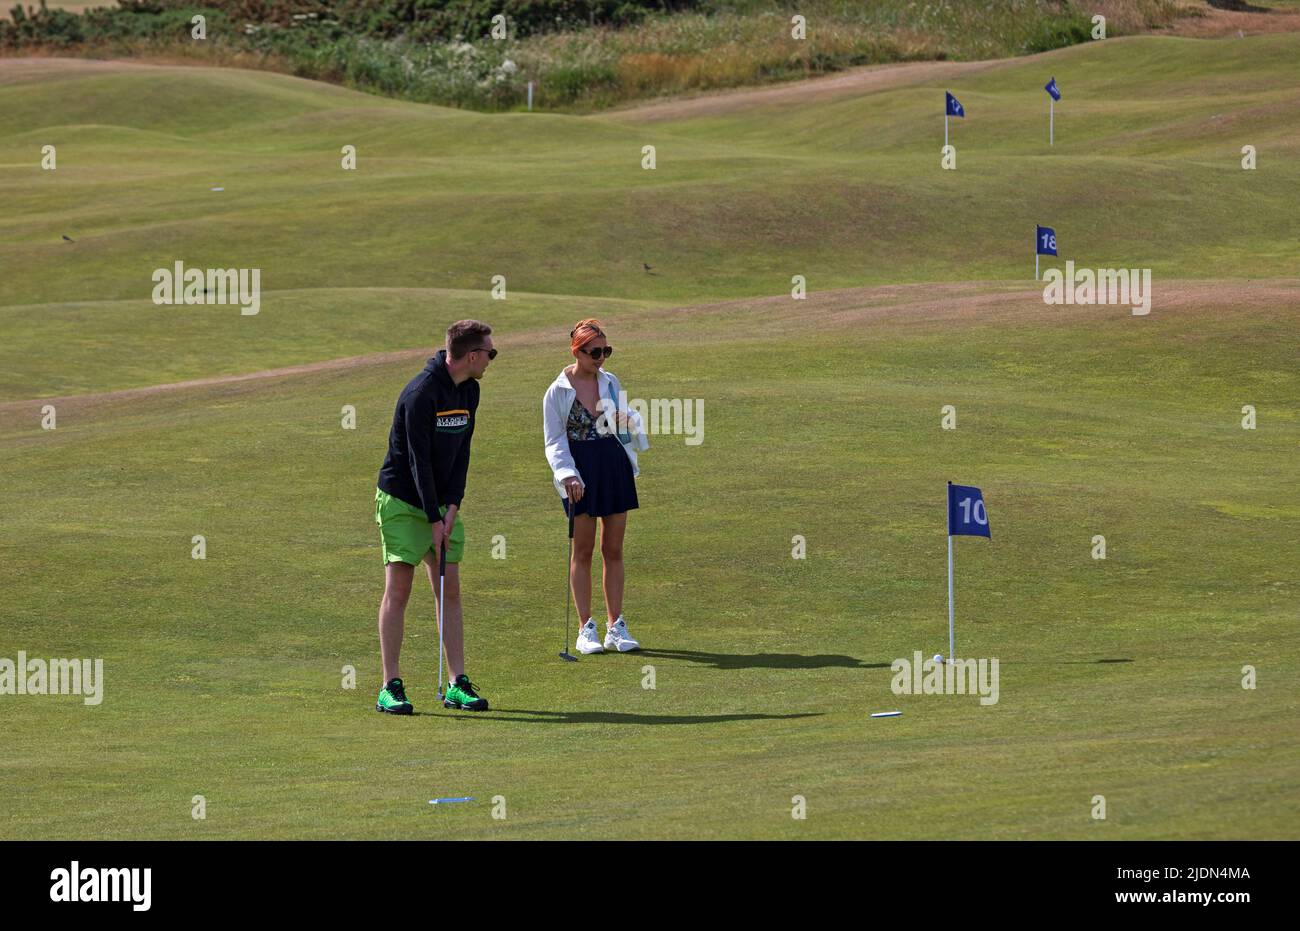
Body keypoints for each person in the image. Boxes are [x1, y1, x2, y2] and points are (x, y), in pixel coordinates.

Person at [373, 320, 495, 713]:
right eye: (490, 353)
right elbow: (417, 462)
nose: (492, 359)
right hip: (404, 503)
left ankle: (458, 682)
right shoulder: (420, 393)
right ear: (472, 355)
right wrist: (432, 519)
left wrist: (452, 507)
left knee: (450, 591)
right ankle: (390, 685)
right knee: (400, 589)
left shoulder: (470, 390)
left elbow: (462, 454)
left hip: (442, 507)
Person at [543, 318, 649, 655]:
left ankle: (615, 626)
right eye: (595, 352)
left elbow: (630, 422)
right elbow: (554, 440)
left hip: (613, 465)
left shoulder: (611, 381)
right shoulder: (557, 391)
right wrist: (567, 475)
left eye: (606, 351)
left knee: (614, 549)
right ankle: (585, 628)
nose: (601, 357)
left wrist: (629, 420)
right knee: (584, 550)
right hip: (580, 471)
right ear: (577, 351)